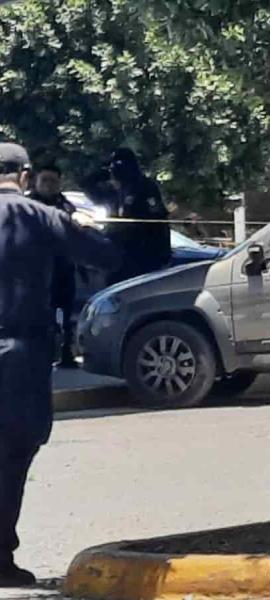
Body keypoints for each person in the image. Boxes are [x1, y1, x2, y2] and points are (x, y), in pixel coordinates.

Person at [0, 143, 119, 586]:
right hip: (21, 354)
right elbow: (105, 254)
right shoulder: (41, 217)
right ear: (26, 176)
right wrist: (82, 224)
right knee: (12, 456)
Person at [28, 164, 80, 368]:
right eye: (45, 181)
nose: (49, 186)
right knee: (41, 314)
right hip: (38, 270)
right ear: (36, 182)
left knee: (68, 314)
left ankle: (67, 353)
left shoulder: (64, 205)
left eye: (53, 181)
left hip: (63, 267)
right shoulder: (28, 204)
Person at [105, 148, 171, 284]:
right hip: (122, 254)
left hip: (145, 254)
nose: (112, 169)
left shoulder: (145, 186)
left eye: (116, 164)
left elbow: (157, 219)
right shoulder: (120, 190)